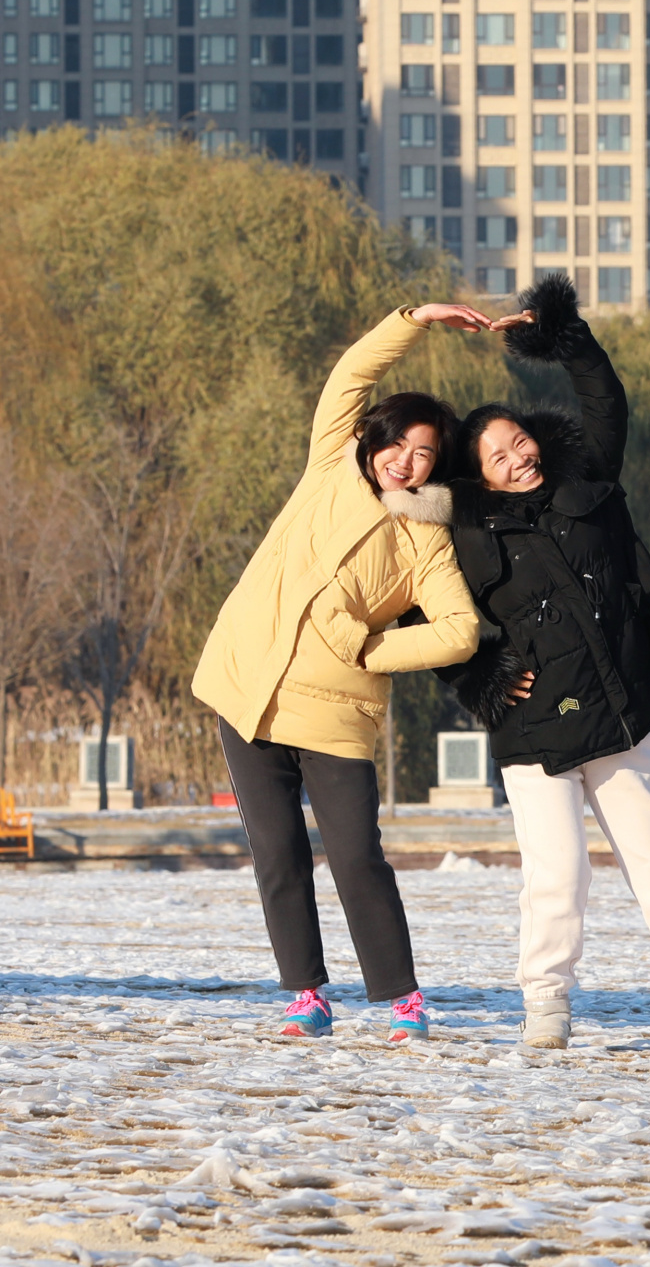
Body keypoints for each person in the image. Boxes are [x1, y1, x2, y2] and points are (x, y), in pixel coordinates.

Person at [431, 274, 650, 1055]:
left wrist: (563, 336)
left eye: (519, 441)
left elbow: (605, 402)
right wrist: (480, 681)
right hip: (533, 729)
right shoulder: (462, 534)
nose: (516, 457)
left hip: (619, 707)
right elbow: (428, 620)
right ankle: (546, 1009)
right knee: (555, 878)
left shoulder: (587, 484)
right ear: (478, 474)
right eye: (496, 456)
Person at [192, 303, 487, 1041]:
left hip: (334, 711)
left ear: (435, 467)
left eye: (424, 454)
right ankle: (306, 995)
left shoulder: (425, 535)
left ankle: (403, 1000)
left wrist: (367, 648)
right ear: (375, 440)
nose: (405, 462)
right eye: (399, 445)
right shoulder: (330, 465)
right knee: (278, 856)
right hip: (246, 688)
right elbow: (352, 372)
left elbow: (459, 633)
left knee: (357, 859)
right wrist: (415, 318)